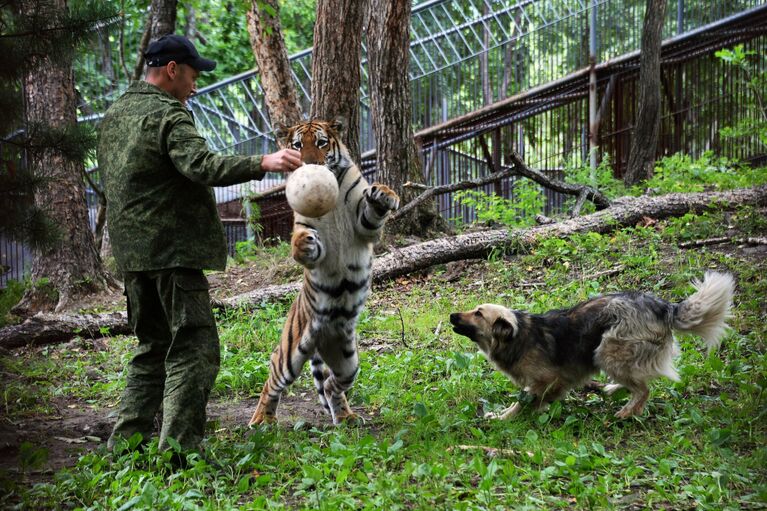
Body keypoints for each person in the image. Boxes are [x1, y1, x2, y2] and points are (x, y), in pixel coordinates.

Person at [98, 34, 301, 454]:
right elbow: (200, 165)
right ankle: (179, 450)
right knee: (194, 347)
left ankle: (124, 447)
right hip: (173, 254)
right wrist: (263, 162)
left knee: (152, 348)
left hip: (133, 257)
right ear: (172, 70)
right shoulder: (168, 115)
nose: (195, 85)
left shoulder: (116, 114)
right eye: (192, 75)